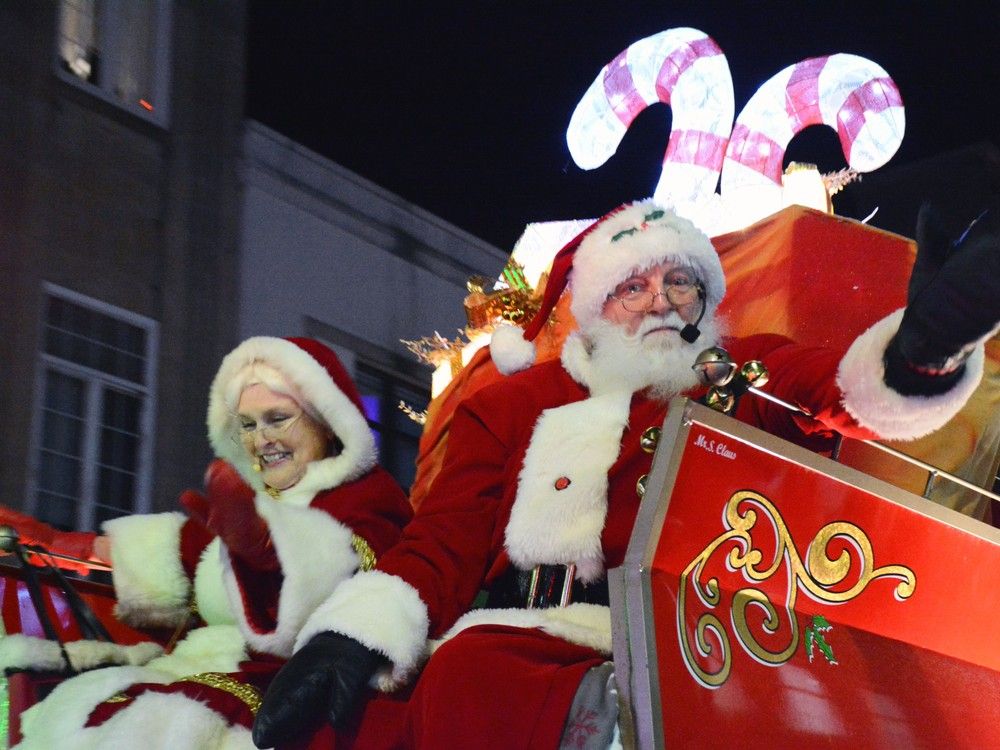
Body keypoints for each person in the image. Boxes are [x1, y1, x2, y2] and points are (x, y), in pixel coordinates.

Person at [252, 201, 1000, 750]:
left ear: (705, 300)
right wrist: (353, 636)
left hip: (699, 637)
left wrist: (923, 348)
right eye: (632, 287)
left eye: (681, 283)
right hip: (535, 636)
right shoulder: (515, 405)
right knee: (463, 676)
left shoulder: (737, 373)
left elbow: (838, 394)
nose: (659, 303)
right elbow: (443, 543)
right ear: (594, 309)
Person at [2, 336, 412, 749]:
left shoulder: (369, 498)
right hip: (192, 667)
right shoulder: (244, 501)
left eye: (277, 418)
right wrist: (44, 540)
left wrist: (272, 551)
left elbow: (357, 587)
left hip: (290, 686)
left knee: (160, 726)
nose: (261, 439)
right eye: (249, 424)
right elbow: (177, 551)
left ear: (325, 420)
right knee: (71, 708)